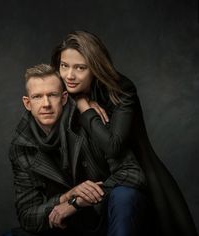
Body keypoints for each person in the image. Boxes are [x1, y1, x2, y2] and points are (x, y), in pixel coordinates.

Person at [51, 30, 198, 236]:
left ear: (95, 68)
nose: (69, 75)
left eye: (80, 68)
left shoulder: (120, 89)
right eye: (64, 66)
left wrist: (85, 108)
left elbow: (113, 146)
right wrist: (78, 99)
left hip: (130, 179)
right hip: (81, 188)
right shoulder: (60, 89)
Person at [8, 64, 107, 236]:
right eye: (37, 97)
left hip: (101, 212)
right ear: (27, 103)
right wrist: (68, 197)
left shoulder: (86, 120)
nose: (46, 104)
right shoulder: (21, 147)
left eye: (52, 95)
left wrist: (79, 201)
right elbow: (28, 217)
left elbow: (122, 177)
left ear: (63, 98)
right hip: (63, 224)